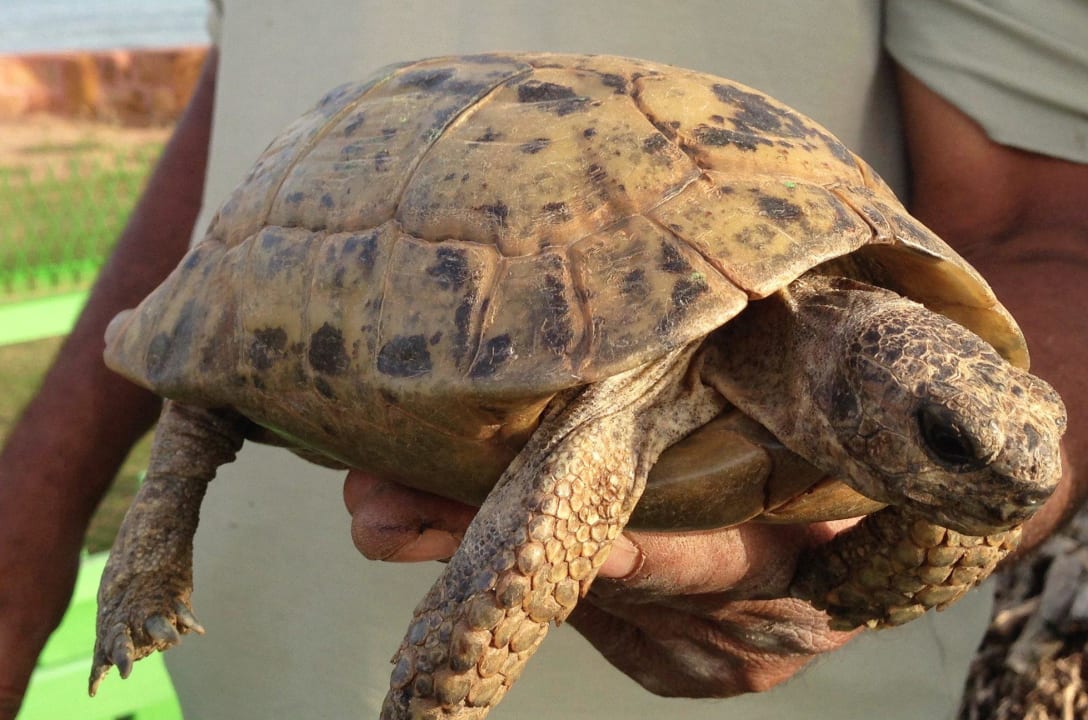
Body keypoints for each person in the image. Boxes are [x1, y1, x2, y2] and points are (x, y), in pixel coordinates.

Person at [1, 1, 1084, 718]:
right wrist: (30, 506)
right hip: (244, 671)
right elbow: (243, 121)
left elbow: (1049, 228)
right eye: (950, 442)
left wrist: (836, 599)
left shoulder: (889, 391)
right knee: (211, 401)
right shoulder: (713, 399)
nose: (1021, 478)